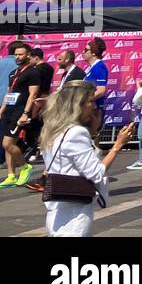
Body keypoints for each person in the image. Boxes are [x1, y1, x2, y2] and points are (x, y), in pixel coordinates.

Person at [40, 81, 132, 236]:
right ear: (77, 104)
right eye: (90, 101)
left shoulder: (52, 130)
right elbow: (96, 172)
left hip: (56, 208)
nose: (94, 106)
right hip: (75, 211)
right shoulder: (76, 132)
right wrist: (117, 145)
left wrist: (93, 131)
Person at [1, 43, 46, 188]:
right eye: (16, 54)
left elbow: (32, 95)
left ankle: (25, 166)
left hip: (20, 112)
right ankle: (11, 175)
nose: (18, 57)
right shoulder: (13, 73)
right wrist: (2, 109)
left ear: (28, 55)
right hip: (9, 111)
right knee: (9, 145)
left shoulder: (33, 72)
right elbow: (9, 93)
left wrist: (25, 113)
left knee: (7, 143)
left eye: (21, 54)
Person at [83, 38, 109, 109]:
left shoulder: (99, 67)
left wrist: (83, 101)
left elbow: (101, 91)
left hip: (94, 111)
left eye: (86, 50)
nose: (83, 52)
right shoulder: (92, 67)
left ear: (94, 53)